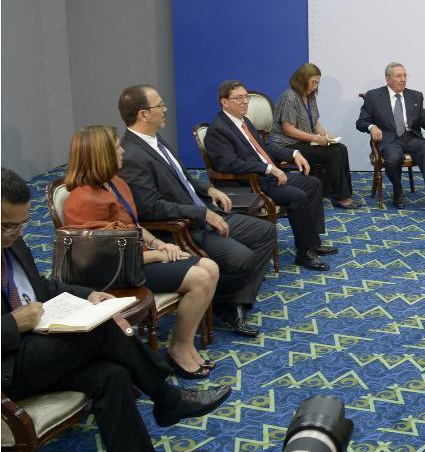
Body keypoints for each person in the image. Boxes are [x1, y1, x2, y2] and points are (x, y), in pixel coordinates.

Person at [1, 168, 231, 452]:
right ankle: (167, 396)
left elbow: (42, 285)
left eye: (21, 225)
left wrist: (88, 295)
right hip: (7, 365)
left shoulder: (12, 242)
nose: (14, 233)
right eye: (7, 226)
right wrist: (12, 323)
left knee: (113, 375)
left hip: (38, 347)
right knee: (103, 329)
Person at [117, 84, 275, 338]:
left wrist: (208, 189)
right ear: (143, 114)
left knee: (266, 232)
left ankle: (231, 302)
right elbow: (151, 207)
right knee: (242, 258)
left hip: (202, 212)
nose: (165, 109)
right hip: (183, 228)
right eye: (160, 105)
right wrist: (201, 214)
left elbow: (181, 178)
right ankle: (223, 303)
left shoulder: (154, 140)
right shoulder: (133, 154)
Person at [63, 125, 220, 378]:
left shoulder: (116, 183)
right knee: (201, 277)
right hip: (112, 274)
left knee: (210, 266)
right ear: (101, 155)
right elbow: (104, 257)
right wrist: (158, 255)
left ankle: (185, 345)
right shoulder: (82, 201)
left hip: (136, 258)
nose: (122, 150)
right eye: (116, 147)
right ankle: (178, 350)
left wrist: (159, 244)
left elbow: (134, 226)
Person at [204, 79, 337, 272]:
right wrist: (267, 169)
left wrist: (293, 154)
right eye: (239, 98)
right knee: (297, 196)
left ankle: (313, 242)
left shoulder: (244, 121)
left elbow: (265, 147)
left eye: (246, 97)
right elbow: (229, 164)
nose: (245, 101)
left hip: (268, 176)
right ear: (224, 102)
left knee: (313, 183)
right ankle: (304, 253)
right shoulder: (218, 130)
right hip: (251, 182)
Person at [356, 62, 425, 221]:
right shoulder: (374, 96)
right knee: (393, 158)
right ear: (388, 79)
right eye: (399, 76)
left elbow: (423, 117)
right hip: (389, 139)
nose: (403, 79)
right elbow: (361, 122)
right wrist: (372, 127)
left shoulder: (415, 95)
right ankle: (397, 190)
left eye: (405, 75)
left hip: (411, 137)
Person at [270, 63, 360, 209]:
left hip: (303, 141)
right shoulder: (289, 96)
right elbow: (288, 130)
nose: (315, 86)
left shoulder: (310, 96)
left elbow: (315, 122)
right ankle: (340, 197)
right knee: (333, 153)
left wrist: (326, 136)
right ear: (302, 79)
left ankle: (339, 192)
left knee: (340, 148)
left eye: (317, 83)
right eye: (313, 82)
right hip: (286, 144)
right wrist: (316, 138)